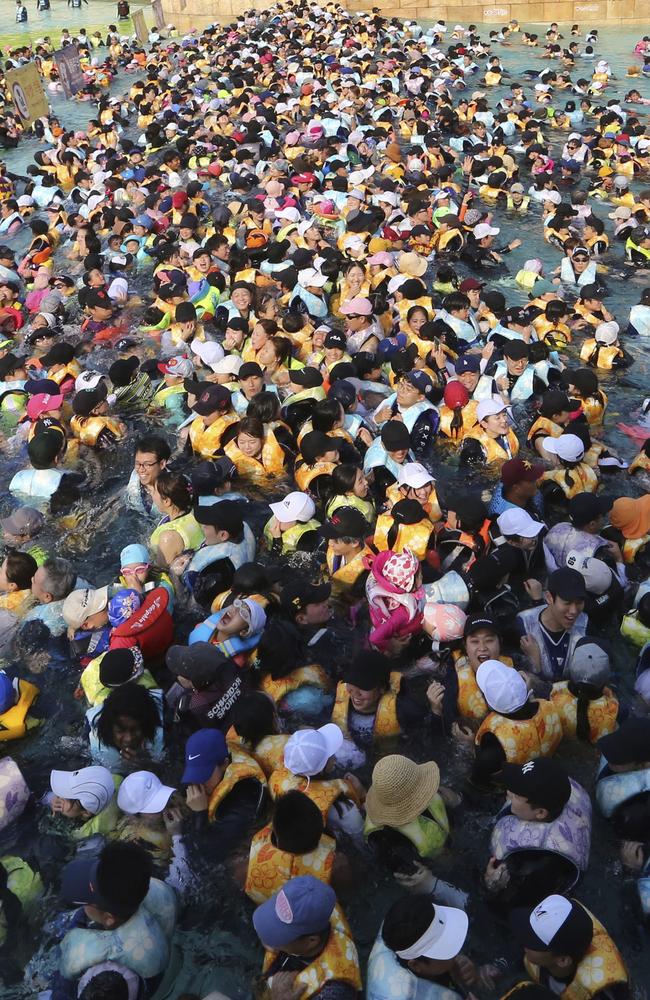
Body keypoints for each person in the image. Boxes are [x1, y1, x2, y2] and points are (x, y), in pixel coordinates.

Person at [59, 842, 177, 986]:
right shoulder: (148, 887)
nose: (82, 909)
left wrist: (76, 925)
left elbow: (64, 974)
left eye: (85, 903)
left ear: (109, 919)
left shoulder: (97, 949)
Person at [486, 759, 592, 908]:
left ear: (540, 813)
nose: (508, 792)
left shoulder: (536, 865)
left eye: (516, 796)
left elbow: (510, 909)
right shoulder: (557, 790)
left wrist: (490, 886)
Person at [252, 875, 361, 1000]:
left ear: (311, 941)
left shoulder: (336, 991)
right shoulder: (318, 906)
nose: (266, 938)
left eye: (280, 936)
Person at [510, 894, 629, 1000]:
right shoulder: (543, 954)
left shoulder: (601, 993)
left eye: (531, 941)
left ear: (562, 960)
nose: (522, 941)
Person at [182, 727, 267, 858]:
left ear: (225, 764)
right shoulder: (212, 780)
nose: (198, 783)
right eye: (194, 775)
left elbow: (209, 855)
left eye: (204, 775)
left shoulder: (244, 795)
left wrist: (199, 814)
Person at [517, 569, 589, 681]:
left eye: (579, 602)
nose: (574, 611)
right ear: (549, 598)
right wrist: (534, 664)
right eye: (567, 603)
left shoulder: (586, 624)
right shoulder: (524, 623)